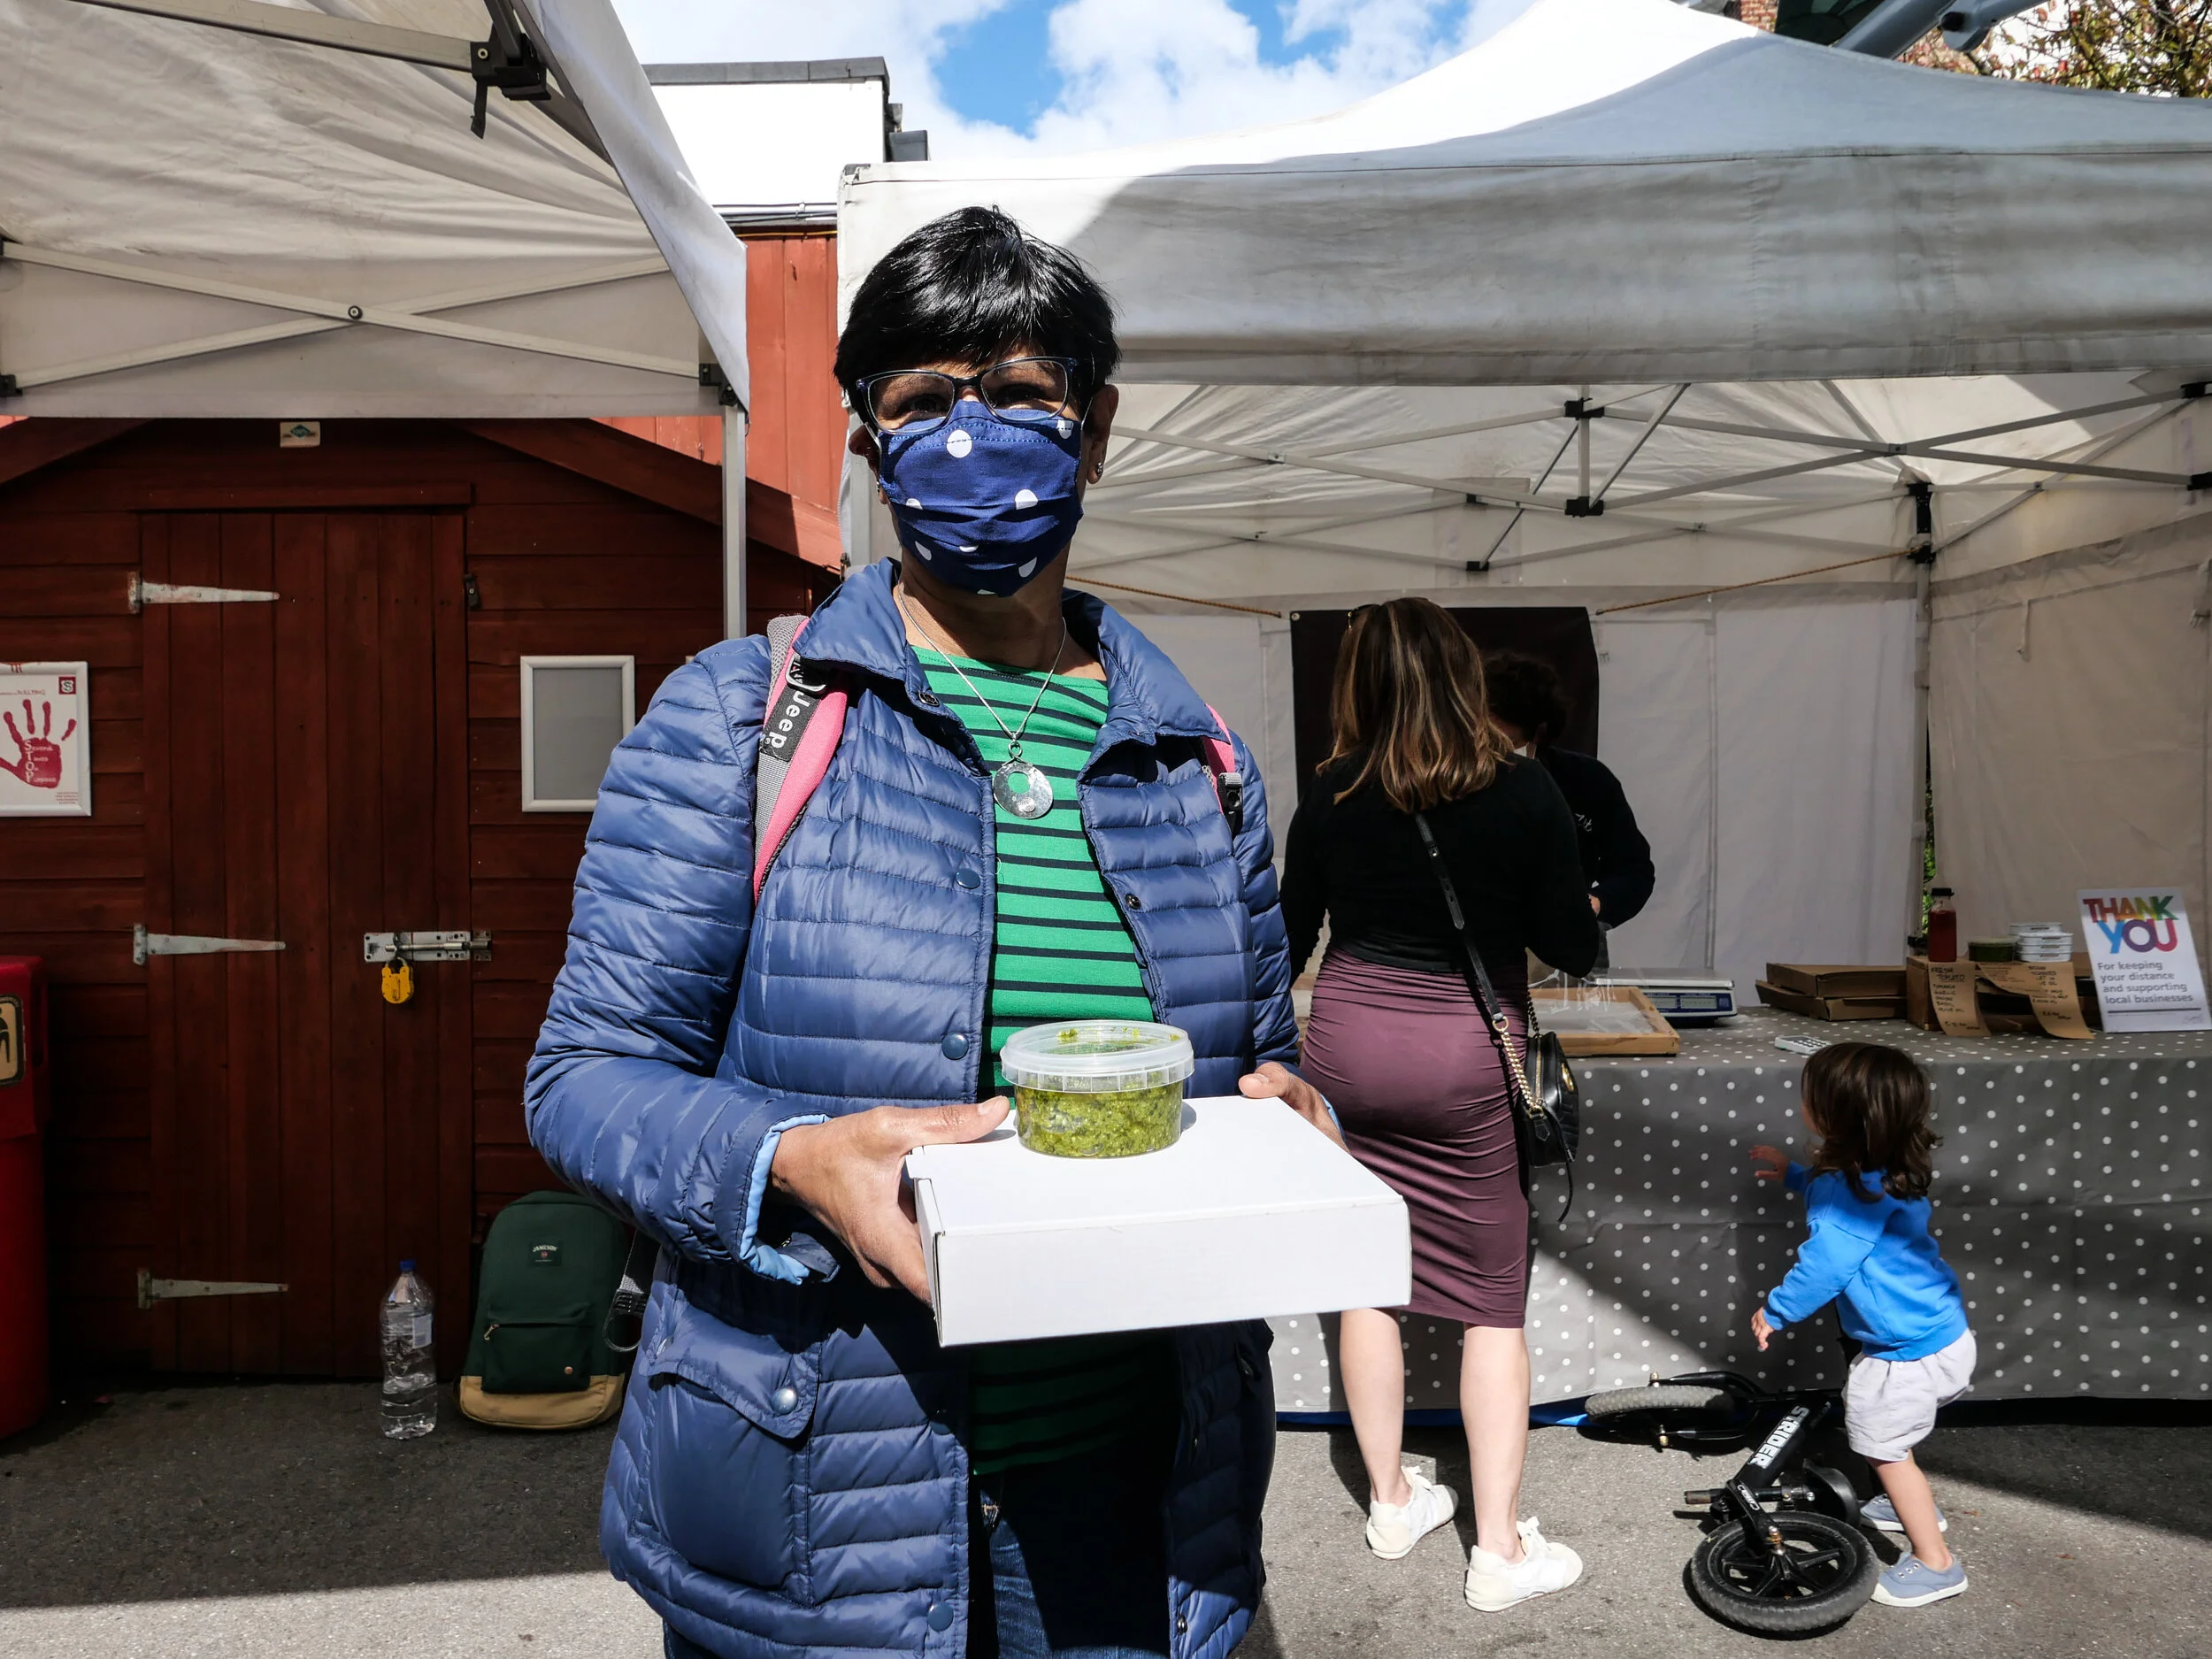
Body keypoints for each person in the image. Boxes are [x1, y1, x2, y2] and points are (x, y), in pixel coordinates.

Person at [526, 206, 1334, 1659]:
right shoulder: (741, 722)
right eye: (923, 404)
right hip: (820, 1502)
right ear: (869, 442)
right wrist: (794, 1162)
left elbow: (1256, 1067)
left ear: (1095, 437)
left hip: (1131, 1510)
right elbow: (584, 1077)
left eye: (1023, 399)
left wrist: (1284, 1118)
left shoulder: (1197, 757)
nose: (974, 439)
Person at [1279, 599, 1601, 1613]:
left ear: (1356, 684)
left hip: (1346, 1044)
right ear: (1461, 676)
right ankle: (1497, 1550)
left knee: (1367, 1278)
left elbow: (1285, 940)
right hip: (1464, 1052)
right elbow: (1569, 943)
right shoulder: (1522, 786)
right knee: (1489, 1303)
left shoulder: (1329, 792)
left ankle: (1388, 1502)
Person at [1750, 1041, 1974, 1609]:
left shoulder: (1845, 1195)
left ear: (1835, 1116)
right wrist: (1795, 1175)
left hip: (1904, 1356)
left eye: (1810, 1097)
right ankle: (1910, 1505)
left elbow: (1824, 1266)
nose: (1803, 1104)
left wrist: (1775, 1310)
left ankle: (1936, 1564)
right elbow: (1842, 1205)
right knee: (1895, 1445)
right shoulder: (1878, 1173)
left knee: (1883, 1448)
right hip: (1944, 1334)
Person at [1480, 651, 1654, 963]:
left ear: (1539, 730)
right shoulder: (1454, 780)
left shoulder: (1586, 780)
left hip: (1562, 949)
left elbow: (1634, 870)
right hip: (1477, 946)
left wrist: (1596, 902)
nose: (1495, 753)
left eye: (1505, 742)